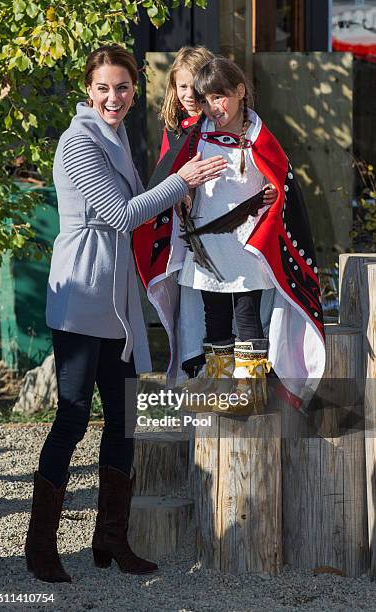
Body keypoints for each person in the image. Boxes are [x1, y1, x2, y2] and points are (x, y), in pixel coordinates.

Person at [25, 44, 227, 584]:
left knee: (124, 420)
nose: (113, 97)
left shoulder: (116, 138)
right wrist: (181, 182)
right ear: (88, 92)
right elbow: (119, 214)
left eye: (122, 88)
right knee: (71, 418)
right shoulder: (78, 141)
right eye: (103, 88)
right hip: (81, 297)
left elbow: (146, 205)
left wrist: (182, 193)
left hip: (118, 303)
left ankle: (111, 538)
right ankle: (39, 545)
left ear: (135, 91)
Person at [134, 55, 326, 412]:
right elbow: (173, 177)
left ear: (240, 92)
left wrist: (272, 195)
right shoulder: (195, 135)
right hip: (206, 246)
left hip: (244, 248)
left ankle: (250, 388)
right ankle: (219, 380)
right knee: (215, 316)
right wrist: (184, 194)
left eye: (220, 96)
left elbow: (281, 184)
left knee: (247, 316)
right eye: (206, 99)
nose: (213, 106)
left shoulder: (259, 137)